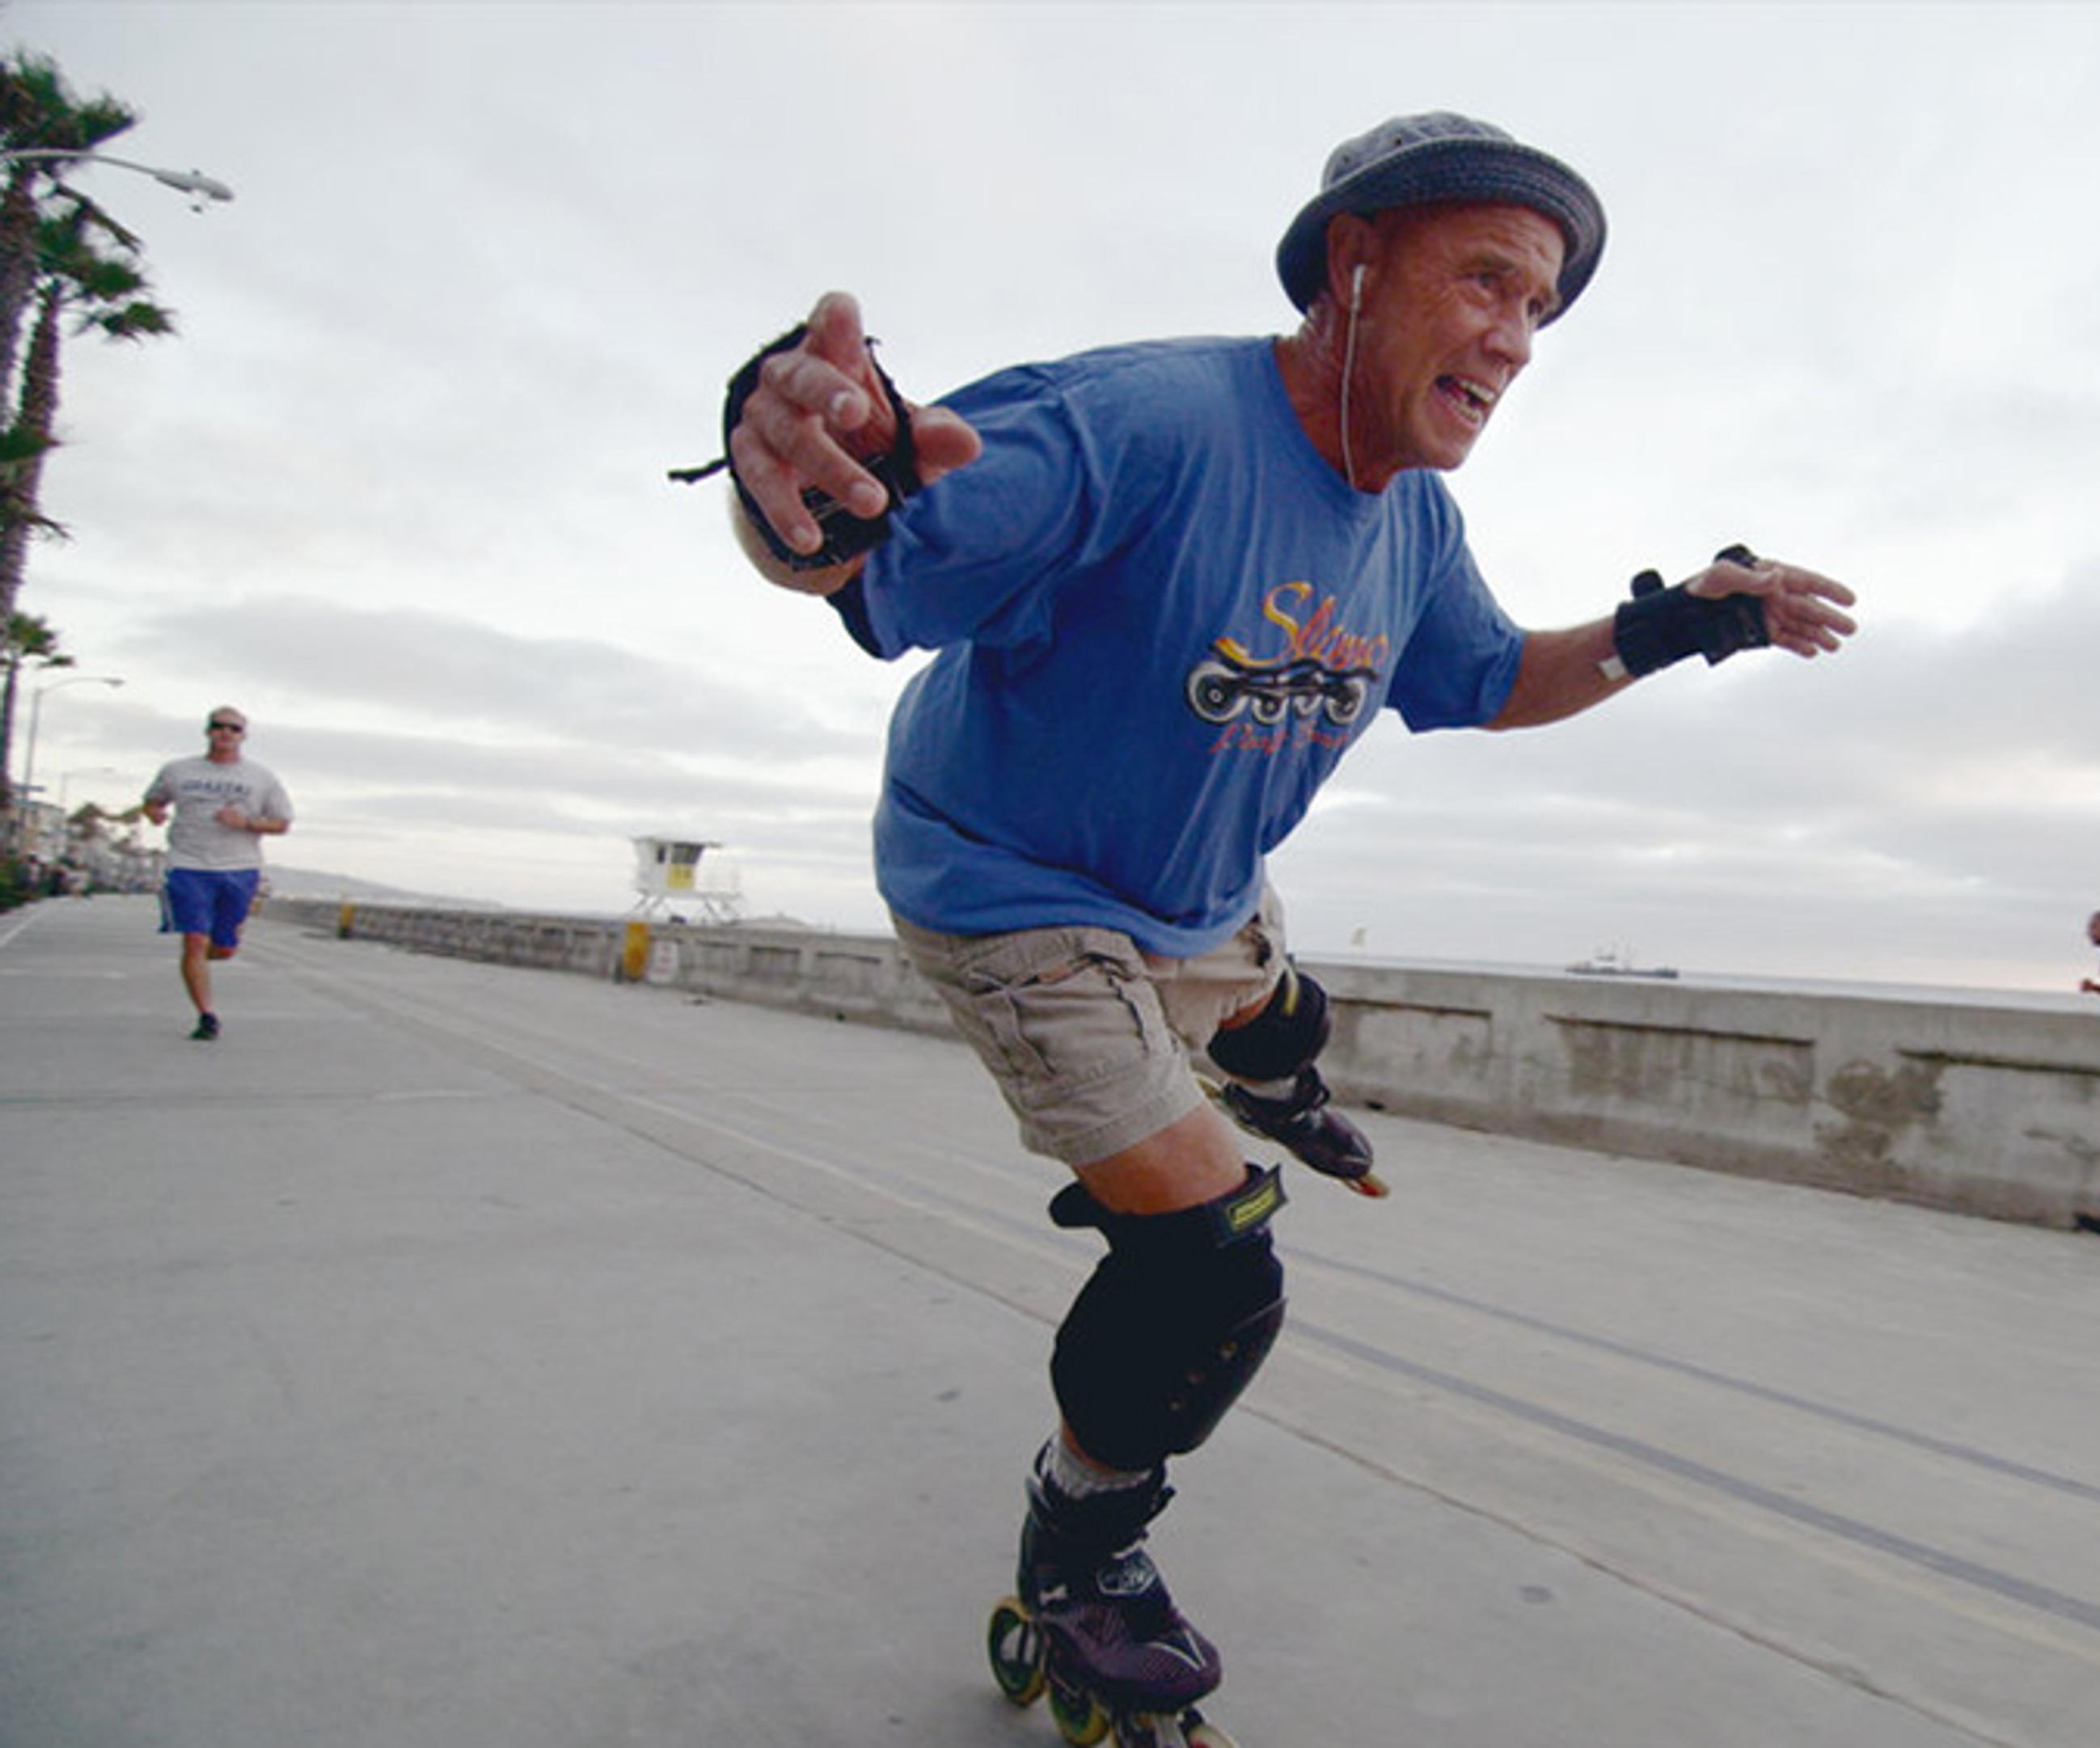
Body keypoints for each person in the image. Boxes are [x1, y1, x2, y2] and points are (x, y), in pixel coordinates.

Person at [687, 112, 1857, 1736]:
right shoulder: (1152, 421)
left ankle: (1266, 1063)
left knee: (1280, 1021)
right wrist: (800, 467)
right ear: (1358, 264)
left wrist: (1678, 628)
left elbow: (1500, 682)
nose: (1517, 339)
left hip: (1204, 896)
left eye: (1543, 312)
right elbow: (864, 540)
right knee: (1212, 1268)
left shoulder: (1414, 526)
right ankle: (1083, 1549)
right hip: (1014, 889)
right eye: (1490, 282)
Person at [141, 707, 293, 1041]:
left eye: (234, 729)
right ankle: (206, 1016)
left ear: (243, 736)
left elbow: (282, 823)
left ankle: (208, 955)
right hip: (188, 865)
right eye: (219, 727)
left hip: (239, 867)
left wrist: (247, 823)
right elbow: (153, 801)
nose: (225, 733)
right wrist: (155, 814)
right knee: (194, 939)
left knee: (223, 949)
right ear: (207, 730)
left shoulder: (260, 777)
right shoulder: (177, 770)